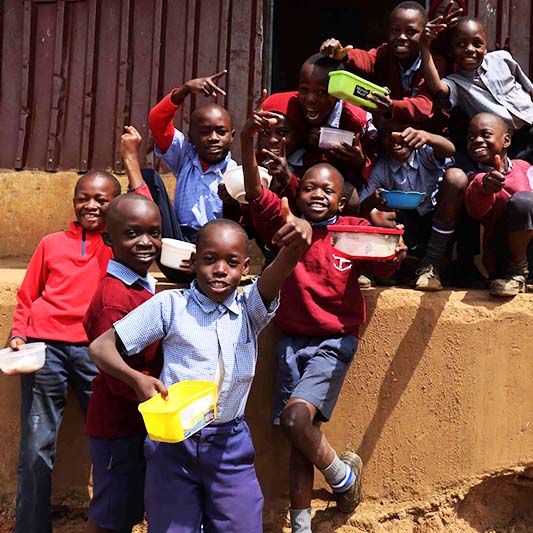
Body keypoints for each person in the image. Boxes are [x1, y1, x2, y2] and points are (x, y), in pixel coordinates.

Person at [88, 211, 312, 532]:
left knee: (241, 525)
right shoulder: (170, 306)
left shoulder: (249, 309)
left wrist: (297, 241)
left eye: (232, 262)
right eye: (209, 259)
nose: (220, 270)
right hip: (172, 446)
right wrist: (137, 380)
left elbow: (279, 271)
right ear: (193, 262)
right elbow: (101, 347)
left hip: (229, 446)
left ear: (245, 268)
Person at [240, 108, 406, 532]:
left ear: (340, 200)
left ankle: (344, 479)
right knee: (299, 436)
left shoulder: (349, 230)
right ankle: (301, 525)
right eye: (309, 187)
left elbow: (385, 263)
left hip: (333, 343)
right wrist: (246, 143)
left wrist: (395, 252)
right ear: (297, 194)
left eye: (327, 190)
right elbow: (256, 194)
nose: (317, 194)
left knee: (296, 421)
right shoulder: (287, 226)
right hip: (290, 344)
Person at [8, 170, 122, 533]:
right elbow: (28, 295)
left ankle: (109, 522)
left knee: (110, 440)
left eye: (102, 200)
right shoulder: (51, 243)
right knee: (36, 444)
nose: (91, 206)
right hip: (45, 349)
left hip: (96, 351)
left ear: (116, 204)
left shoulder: (120, 247)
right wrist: (18, 334)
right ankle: (31, 526)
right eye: (82, 198)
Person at [83, 193, 164, 533]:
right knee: (111, 518)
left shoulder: (141, 283)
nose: (146, 242)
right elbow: (115, 374)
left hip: (134, 423)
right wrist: (150, 389)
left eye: (154, 233)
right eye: (132, 234)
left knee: (126, 510)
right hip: (119, 426)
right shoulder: (114, 299)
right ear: (108, 239)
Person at [359, 124, 470, 290]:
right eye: (387, 134)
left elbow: (449, 150)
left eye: (402, 132)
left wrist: (426, 136)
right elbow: (360, 208)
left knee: (457, 178)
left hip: (437, 222)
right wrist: (373, 201)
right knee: (376, 213)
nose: (396, 139)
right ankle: (388, 265)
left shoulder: (424, 152)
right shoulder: (381, 168)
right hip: (404, 227)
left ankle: (430, 266)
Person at [420, 16, 533, 163]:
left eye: (477, 44)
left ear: (485, 48)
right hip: (507, 144)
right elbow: (437, 88)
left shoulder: (502, 58)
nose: (469, 49)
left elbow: (528, 87)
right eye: (461, 44)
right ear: (451, 51)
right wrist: (424, 46)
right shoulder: (456, 83)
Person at [320, 1, 442, 129]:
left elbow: (424, 105)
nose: (401, 37)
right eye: (395, 30)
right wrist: (343, 55)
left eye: (411, 32)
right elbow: (367, 59)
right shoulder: (386, 52)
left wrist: (392, 106)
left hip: (427, 135)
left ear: (424, 35)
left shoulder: (434, 62)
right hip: (390, 134)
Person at [148, 70, 236, 244]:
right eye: (204, 132)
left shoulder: (234, 173)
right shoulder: (184, 157)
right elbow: (157, 121)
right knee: (148, 177)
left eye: (221, 132)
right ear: (191, 137)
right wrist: (185, 89)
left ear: (231, 136)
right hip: (180, 237)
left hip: (218, 241)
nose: (213, 138)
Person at [464, 113, 533, 296]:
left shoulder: (524, 167)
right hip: (502, 260)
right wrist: (485, 187)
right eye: (471, 138)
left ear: (506, 140)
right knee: (523, 201)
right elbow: (476, 210)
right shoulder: (476, 179)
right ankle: (517, 273)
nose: (477, 140)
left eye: (485, 134)